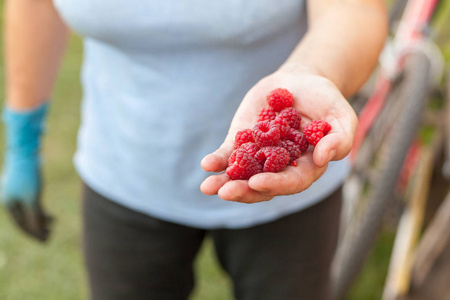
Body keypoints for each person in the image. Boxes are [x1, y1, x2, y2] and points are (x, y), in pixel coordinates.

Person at [1, 0, 387, 299]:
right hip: (126, 171)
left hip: (290, 196)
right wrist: (24, 137)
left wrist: (313, 72)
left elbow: (353, 9)